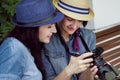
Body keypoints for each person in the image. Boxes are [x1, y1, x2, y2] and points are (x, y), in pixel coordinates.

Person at [0, 0, 64, 80]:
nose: (55, 31)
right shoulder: (13, 48)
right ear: (32, 29)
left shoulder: (26, 48)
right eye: (49, 27)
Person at [41, 0, 98, 80]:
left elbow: (85, 77)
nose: (74, 26)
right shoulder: (46, 40)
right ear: (59, 15)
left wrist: (91, 70)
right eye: (70, 19)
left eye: (80, 21)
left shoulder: (88, 37)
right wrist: (69, 70)